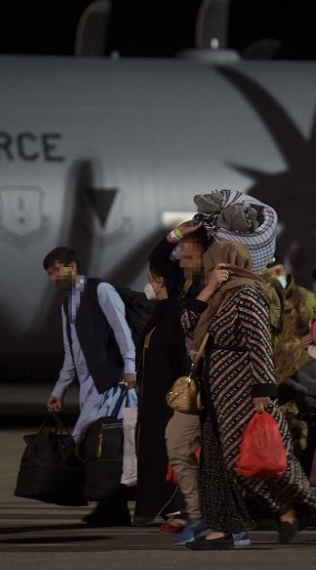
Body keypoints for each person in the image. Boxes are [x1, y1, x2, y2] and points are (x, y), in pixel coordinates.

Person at [181, 241, 316, 549]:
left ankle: (289, 508)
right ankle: (223, 530)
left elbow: (259, 343)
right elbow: (188, 324)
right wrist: (208, 288)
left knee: (252, 459)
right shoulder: (219, 296)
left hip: (244, 391)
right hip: (217, 392)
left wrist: (263, 390)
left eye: (213, 262)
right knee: (218, 462)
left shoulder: (248, 294)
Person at [43, 247, 136, 527]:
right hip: (89, 387)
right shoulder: (66, 304)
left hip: (114, 383)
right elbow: (70, 353)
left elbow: (122, 330)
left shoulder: (101, 290)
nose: (53, 278)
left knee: (105, 446)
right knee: (98, 448)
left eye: (56, 270)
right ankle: (111, 507)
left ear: (72, 266)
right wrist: (59, 390)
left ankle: (114, 506)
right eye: (49, 274)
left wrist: (130, 367)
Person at [149, 221, 213, 542]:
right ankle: (197, 515)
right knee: (177, 446)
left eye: (190, 256)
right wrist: (176, 234)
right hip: (192, 385)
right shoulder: (180, 283)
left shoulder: (216, 283)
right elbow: (157, 259)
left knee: (220, 457)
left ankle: (235, 518)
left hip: (216, 382)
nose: (183, 262)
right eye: (181, 255)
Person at [132, 263, 189, 527]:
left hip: (168, 399)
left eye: (151, 280)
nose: (148, 286)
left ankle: (174, 508)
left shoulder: (176, 313)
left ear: (161, 282)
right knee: (151, 449)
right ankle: (159, 507)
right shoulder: (162, 311)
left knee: (167, 450)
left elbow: (181, 359)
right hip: (152, 399)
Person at [263, 258, 316, 384]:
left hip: (297, 378)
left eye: (278, 271)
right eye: (271, 273)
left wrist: (300, 346)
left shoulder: (305, 300)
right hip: (267, 379)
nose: (276, 277)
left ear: (286, 271)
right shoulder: (259, 301)